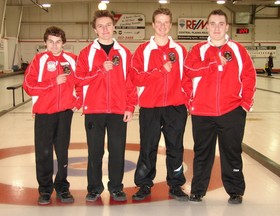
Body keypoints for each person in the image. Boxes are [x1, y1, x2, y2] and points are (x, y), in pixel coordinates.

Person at [184, 9, 256, 204]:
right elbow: (188, 71)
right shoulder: (198, 50)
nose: (216, 28)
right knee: (202, 152)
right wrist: (212, 62)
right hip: (202, 112)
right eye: (213, 24)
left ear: (227, 26)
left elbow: (249, 76)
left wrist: (245, 105)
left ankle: (235, 191)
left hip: (232, 111)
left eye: (220, 24)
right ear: (207, 26)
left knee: (232, 152)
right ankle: (198, 190)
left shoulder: (239, 50)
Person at [129, 8, 192, 202]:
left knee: (176, 147)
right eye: (159, 22)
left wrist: (187, 102)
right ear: (153, 24)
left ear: (170, 25)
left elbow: (187, 79)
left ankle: (175, 184)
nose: (162, 26)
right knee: (148, 147)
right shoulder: (143, 50)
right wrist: (159, 71)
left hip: (175, 107)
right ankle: (144, 184)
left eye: (166, 22)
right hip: (151, 107)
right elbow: (135, 77)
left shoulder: (180, 50)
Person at [75, 10, 137, 202]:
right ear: (95, 29)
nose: (105, 29)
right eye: (100, 26)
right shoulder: (86, 53)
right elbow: (78, 79)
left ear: (114, 27)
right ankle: (94, 188)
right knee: (95, 151)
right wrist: (100, 70)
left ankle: (116, 187)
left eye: (108, 25)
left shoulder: (125, 53)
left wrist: (130, 106)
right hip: (94, 110)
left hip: (118, 110)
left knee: (117, 150)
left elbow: (131, 82)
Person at [23, 26, 82, 205]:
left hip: (65, 113)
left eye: (58, 42)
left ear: (63, 43)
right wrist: (52, 82)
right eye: (50, 42)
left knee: (62, 152)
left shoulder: (72, 60)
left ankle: (63, 188)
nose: (54, 46)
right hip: (44, 114)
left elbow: (82, 83)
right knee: (43, 153)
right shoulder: (38, 61)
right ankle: (45, 190)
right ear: (45, 43)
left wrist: (76, 103)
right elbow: (28, 85)